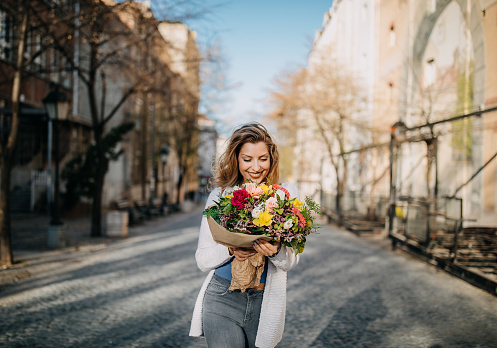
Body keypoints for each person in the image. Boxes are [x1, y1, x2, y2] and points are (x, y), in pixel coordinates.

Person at [189, 122, 300, 348]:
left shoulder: (286, 195)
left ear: (272, 159)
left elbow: (291, 260)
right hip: (222, 298)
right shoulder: (220, 197)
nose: (256, 167)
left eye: (263, 159)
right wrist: (230, 248)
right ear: (236, 160)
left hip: (264, 301)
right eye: (247, 159)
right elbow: (202, 260)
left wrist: (277, 251)